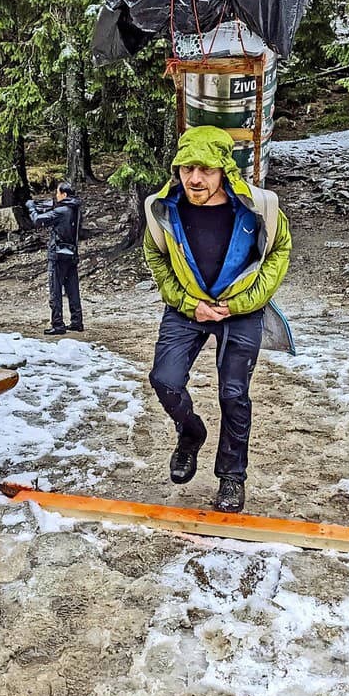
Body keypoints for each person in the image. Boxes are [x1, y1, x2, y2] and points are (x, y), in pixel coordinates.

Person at [143, 125, 291, 513]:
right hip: (188, 306)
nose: (195, 179)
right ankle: (190, 433)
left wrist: (246, 302)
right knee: (165, 379)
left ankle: (231, 477)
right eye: (186, 169)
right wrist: (186, 302)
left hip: (239, 310)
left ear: (224, 169)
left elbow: (279, 251)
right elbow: (156, 258)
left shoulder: (259, 206)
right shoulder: (161, 209)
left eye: (206, 170)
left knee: (234, 394)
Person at [26, 181, 83, 335]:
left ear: (64, 194)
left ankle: (57, 324)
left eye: (58, 193)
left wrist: (31, 207)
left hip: (58, 255)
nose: (56, 196)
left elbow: (38, 220)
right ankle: (77, 321)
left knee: (55, 289)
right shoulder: (76, 210)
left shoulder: (62, 211)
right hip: (72, 253)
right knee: (72, 289)